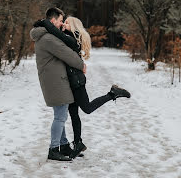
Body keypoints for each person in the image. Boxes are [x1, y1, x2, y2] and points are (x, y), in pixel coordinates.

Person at [35, 16, 131, 158]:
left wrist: (44, 23)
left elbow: (58, 35)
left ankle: (112, 94)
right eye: (63, 21)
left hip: (76, 81)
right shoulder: (68, 36)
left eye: (67, 22)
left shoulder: (73, 37)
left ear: (73, 25)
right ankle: (78, 142)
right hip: (70, 81)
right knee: (73, 114)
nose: (63, 24)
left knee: (87, 108)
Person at [30, 8, 86, 162]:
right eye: (61, 20)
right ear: (53, 20)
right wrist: (81, 64)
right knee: (60, 116)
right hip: (55, 81)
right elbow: (66, 53)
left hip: (54, 79)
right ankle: (54, 149)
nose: (62, 23)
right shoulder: (48, 38)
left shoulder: (45, 36)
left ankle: (64, 145)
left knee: (60, 115)